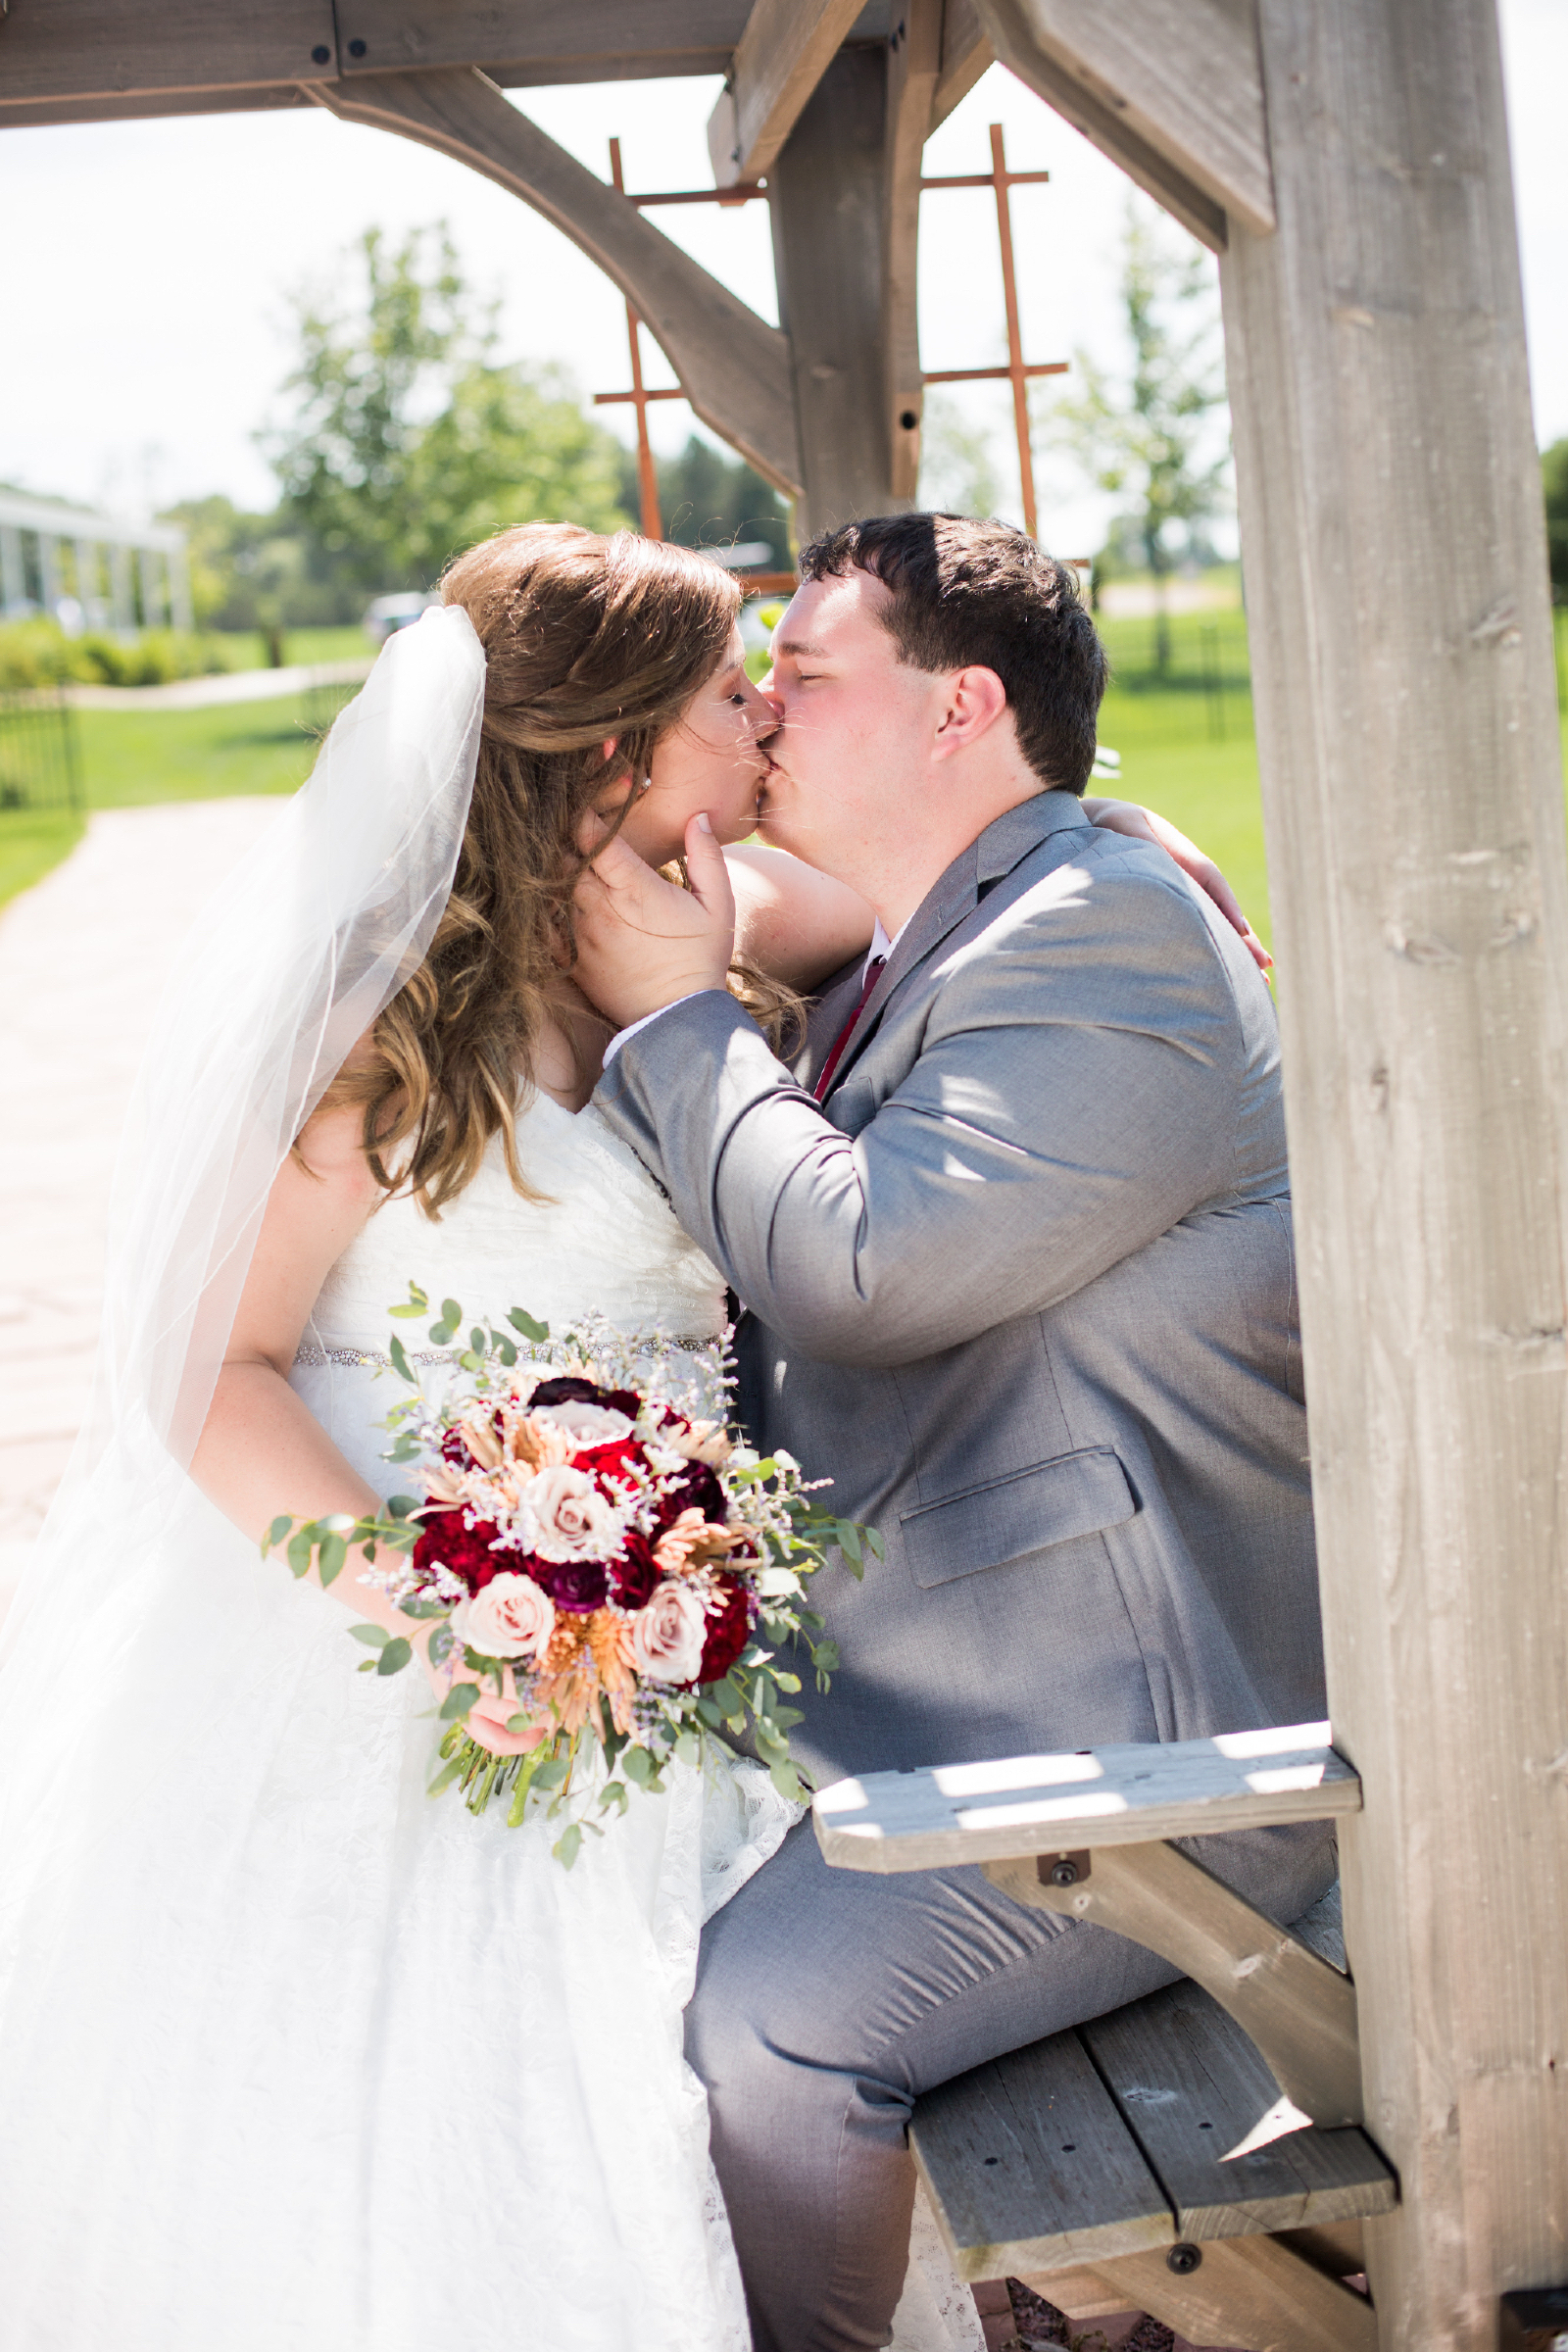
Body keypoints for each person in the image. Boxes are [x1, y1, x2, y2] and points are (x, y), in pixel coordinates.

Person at [0, 516, 1250, 2352]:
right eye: (731, 693)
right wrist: (434, 1610)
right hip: (401, 1623)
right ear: (615, 753)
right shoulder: (398, 1023)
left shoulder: (714, 917)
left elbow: (936, 901)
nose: (762, 721)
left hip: (666, 1647)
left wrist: (1128, 840)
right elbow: (209, 1365)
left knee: (665, 2051)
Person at [572, 513, 1334, 2352]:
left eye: (807, 677)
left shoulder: (1109, 929)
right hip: (948, 1685)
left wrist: (678, 1019)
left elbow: (865, 1269)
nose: (762, 709)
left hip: (1142, 1743)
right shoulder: (956, 921)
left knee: (754, 2026)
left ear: (961, 707)